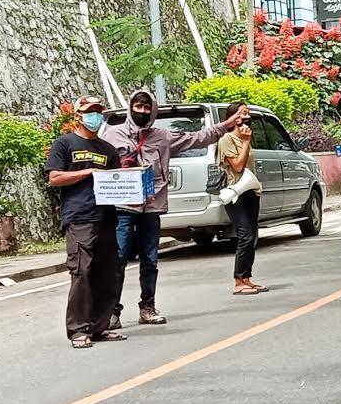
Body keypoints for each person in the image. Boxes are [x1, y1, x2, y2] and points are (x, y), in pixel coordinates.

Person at [101, 90, 249, 329]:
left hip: (151, 206)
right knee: (118, 259)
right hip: (123, 206)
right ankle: (111, 311)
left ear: (153, 111)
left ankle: (147, 307)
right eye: (138, 106)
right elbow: (99, 165)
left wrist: (227, 124)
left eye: (147, 108)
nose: (142, 111)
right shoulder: (112, 135)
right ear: (130, 107)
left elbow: (199, 138)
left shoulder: (162, 136)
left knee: (150, 260)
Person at [45, 96, 127, 349]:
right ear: (78, 115)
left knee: (108, 274)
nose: (95, 116)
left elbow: (117, 180)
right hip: (79, 217)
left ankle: (99, 327)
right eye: (90, 111)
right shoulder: (64, 143)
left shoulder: (108, 149)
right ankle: (78, 330)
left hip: (107, 217)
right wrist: (87, 172)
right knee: (82, 272)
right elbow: (54, 178)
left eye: (98, 111)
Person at [217, 105, 265, 296]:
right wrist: (245, 142)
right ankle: (238, 281)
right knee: (244, 235)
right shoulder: (226, 140)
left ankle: (247, 278)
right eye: (243, 113)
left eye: (247, 113)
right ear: (233, 117)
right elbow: (237, 166)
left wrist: (246, 141)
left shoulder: (246, 137)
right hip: (235, 193)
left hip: (250, 191)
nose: (247, 116)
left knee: (252, 235)